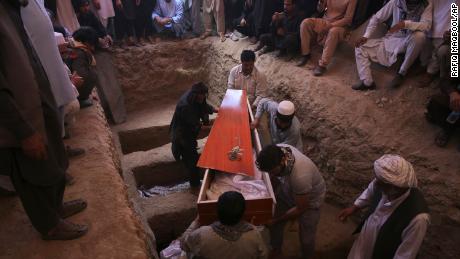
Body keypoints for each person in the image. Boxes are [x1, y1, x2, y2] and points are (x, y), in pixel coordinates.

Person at [0, 0, 87, 240]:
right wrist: (24, 132)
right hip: (18, 117)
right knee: (31, 170)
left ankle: (56, 209)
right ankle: (48, 224)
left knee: (53, 156)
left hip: (37, 101)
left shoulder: (11, 10)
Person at [338, 154, 430, 259]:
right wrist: (355, 207)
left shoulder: (418, 219)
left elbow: (406, 254)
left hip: (384, 251)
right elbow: (370, 191)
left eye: (380, 183)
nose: (375, 183)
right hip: (365, 238)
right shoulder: (383, 184)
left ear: (393, 187)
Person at [256, 144, 326, 258]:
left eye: (272, 171)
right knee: (274, 218)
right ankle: (276, 250)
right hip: (289, 190)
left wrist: (277, 220)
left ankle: (308, 255)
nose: (271, 174)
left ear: (283, 160)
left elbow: (301, 208)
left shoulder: (300, 177)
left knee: (306, 238)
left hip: (311, 201)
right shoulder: (280, 149)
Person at [352, 0, 432, 90]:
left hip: (409, 39)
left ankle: (401, 73)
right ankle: (367, 82)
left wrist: (406, 24)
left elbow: (426, 26)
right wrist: (366, 36)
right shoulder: (396, 2)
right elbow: (377, 18)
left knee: (420, 36)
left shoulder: (426, 4)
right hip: (392, 39)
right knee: (360, 46)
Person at [180, 191, 269, 258]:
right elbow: (264, 255)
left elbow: (183, 244)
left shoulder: (202, 234)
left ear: (217, 212)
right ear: (243, 213)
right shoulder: (254, 234)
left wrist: (196, 222)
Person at [170, 82, 218, 188]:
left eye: (204, 95)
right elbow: (196, 126)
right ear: (195, 94)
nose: (203, 97)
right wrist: (215, 128)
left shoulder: (197, 95)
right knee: (192, 160)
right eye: (202, 96)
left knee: (192, 155)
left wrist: (219, 111)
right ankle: (195, 185)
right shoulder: (186, 106)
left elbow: (204, 106)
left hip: (189, 130)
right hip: (182, 134)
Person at [297, 0, 358, 77]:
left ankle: (322, 65)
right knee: (305, 23)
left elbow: (348, 19)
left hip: (340, 26)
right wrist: (321, 2)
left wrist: (330, 26)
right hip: (326, 21)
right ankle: (305, 54)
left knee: (333, 32)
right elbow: (320, 10)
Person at [65, 26, 99, 108]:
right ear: (87, 42)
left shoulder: (72, 46)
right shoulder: (80, 52)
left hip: (67, 90)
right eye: (92, 44)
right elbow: (81, 75)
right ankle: (82, 99)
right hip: (73, 94)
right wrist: (86, 92)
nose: (93, 47)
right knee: (93, 74)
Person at [423, 0, 452, 81]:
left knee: (438, 51)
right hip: (429, 24)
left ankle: (430, 73)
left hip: (446, 26)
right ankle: (423, 67)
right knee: (425, 50)